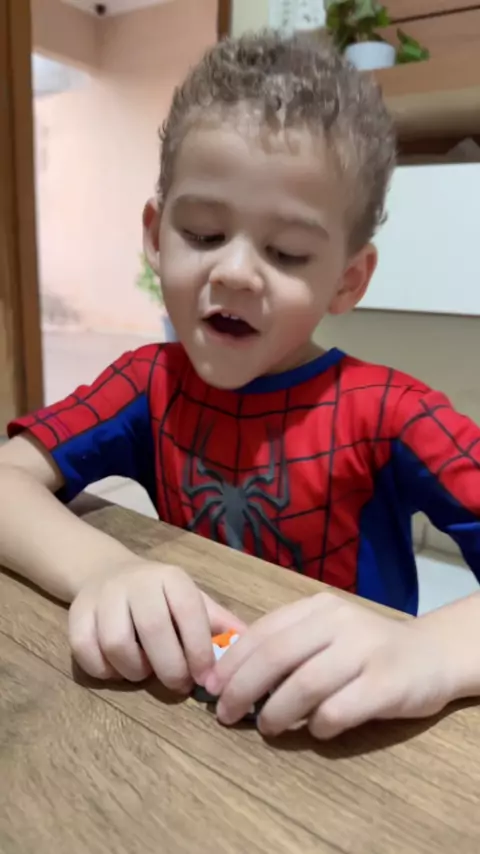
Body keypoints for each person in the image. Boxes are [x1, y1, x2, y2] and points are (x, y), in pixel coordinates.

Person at [2, 32, 480, 742]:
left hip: (350, 746)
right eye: (202, 233)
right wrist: (104, 570)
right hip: (180, 726)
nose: (233, 272)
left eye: (286, 252)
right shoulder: (147, 383)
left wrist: (431, 651)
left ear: (348, 279)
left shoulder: (392, 412)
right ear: (156, 235)